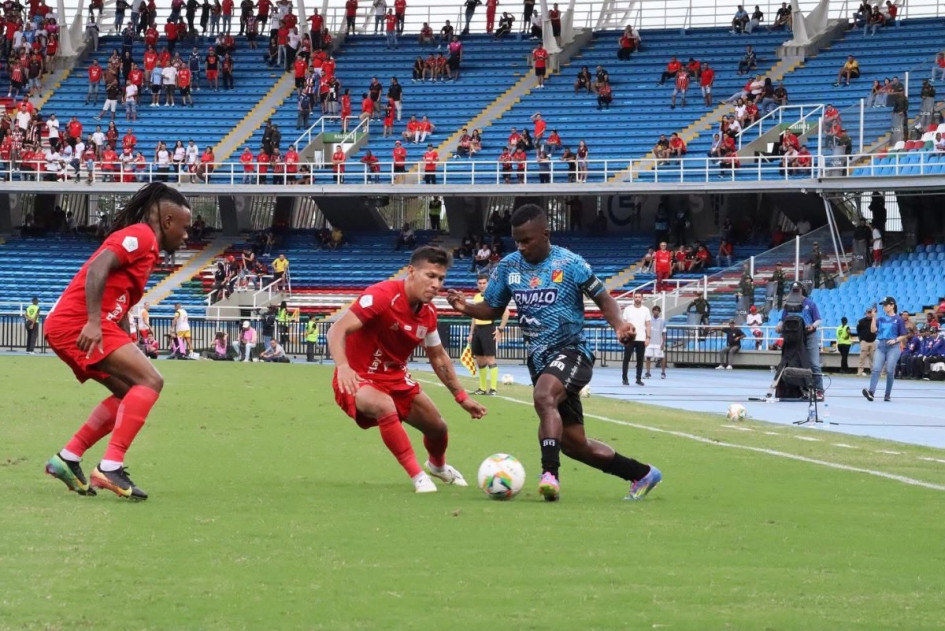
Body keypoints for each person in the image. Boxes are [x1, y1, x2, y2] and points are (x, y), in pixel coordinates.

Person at [447, 204, 662, 502]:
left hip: (573, 352)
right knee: (574, 443)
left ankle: (550, 476)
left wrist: (619, 325)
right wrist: (466, 308)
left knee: (543, 396)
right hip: (539, 360)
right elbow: (494, 308)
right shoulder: (509, 267)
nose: (520, 247)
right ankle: (642, 474)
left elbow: (603, 297)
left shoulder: (570, 263)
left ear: (545, 234)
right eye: (517, 241)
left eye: (527, 240)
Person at [43, 183, 191, 500]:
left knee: (129, 393)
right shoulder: (141, 236)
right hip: (78, 323)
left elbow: (119, 294)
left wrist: (125, 333)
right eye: (185, 226)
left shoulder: (146, 245)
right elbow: (98, 268)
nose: (187, 234)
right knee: (151, 380)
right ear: (167, 221)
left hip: (74, 325)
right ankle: (111, 466)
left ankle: (67, 458)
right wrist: (95, 322)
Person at [328, 246, 486, 493]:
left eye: (441, 279)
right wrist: (343, 366)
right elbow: (337, 329)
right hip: (358, 377)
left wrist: (462, 397)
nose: (436, 284)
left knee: (438, 428)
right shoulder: (382, 295)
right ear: (411, 272)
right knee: (384, 406)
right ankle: (418, 476)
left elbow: (439, 357)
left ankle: (437, 466)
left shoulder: (429, 313)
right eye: (430, 276)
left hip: (396, 378)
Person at [776, 282, 824, 399]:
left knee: (814, 363)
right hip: (795, 337)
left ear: (801, 290)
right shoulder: (788, 305)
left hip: (809, 335)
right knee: (797, 363)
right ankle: (801, 389)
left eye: (797, 289)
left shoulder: (810, 303)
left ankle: (819, 390)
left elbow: (818, 320)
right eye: (794, 290)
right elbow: (782, 319)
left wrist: (813, 325)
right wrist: (779, 326)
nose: (796, 292)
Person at [467, 273, 511, 395]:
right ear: (477, 284)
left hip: (488, 328)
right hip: (477, 331)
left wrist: (500, 329)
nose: (482, 285)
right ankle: (482, 388)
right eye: (480, 283)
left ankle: (493, 389)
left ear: (488, 284)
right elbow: (474, 317)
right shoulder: (476, 297)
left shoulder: (494, 297)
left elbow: (506, 313)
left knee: (490, 359)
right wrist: (471, 333)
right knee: (480, 360)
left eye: (484, 283)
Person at [862, 296, 907, 402]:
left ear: (892, 306)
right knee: (876, 369)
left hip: (893, 347)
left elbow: (903, 334)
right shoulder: (881, 319)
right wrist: (874, 317)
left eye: (886, 305)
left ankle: (887, 394)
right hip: (881, 345)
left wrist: (895, 340)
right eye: (884, 305)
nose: (885, 307)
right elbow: (873, 330)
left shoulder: (898, 319)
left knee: (890, 370)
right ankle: (871, 392)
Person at [621, 293, 650, 386]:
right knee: (626, 358)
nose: (637, 299)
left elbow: (648, 325)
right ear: (633, 298)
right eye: (636, 297)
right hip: (630, 338)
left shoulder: (646, 310)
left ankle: (638, 378)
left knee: (640, 359)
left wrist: (648, 337)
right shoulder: (628, 309)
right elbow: (624, 324)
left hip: (641, 338)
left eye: (639, 297)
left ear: (642, 298)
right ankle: (624, 378)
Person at [644, 305, 667, 379]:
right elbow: (645, 331)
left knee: (661, 357)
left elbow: (664, 333)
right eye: (654, 310)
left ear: (659, 312)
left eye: (657, 310)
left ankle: (663, 372)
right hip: (650, 342)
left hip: (658, 342)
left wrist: (663, 343)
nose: (656, 311)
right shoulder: (649, 320)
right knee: (648, 357)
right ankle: (648, 372)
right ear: (653, 311)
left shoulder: (662, 321)